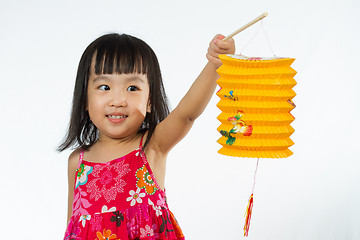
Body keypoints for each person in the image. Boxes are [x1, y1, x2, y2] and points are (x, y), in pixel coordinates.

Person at [58, 32, 235, 240]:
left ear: (150, 100)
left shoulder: (151, 145)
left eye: (132, 88)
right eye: (104, 87)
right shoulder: (77, 162)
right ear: (85, 99)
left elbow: (186, 114)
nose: (118, 100)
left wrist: (216, 63)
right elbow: (73, 229)